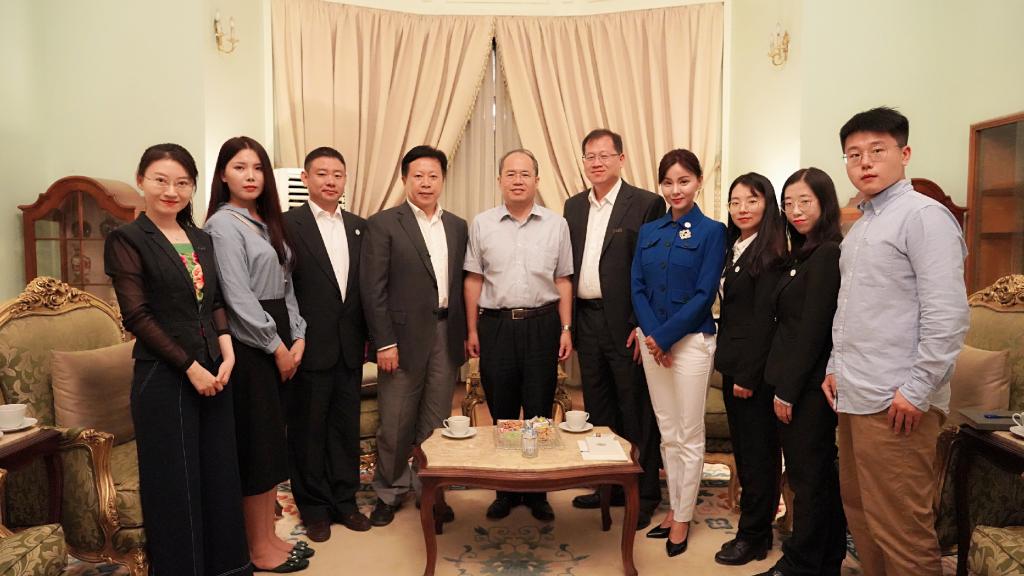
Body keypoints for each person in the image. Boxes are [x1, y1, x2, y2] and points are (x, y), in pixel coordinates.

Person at [823, 107, 969, 575]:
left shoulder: (925, 217)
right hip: (855, 393)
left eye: (877, 150)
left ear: (904, 154)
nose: (865, 162)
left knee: (902, 529)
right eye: (854, 154)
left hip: (897, 402)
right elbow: (853, 308)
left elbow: (948, 315)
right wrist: (834, 366)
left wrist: (918, 388)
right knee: (862, 516)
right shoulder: (862, 225)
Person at [105, 144, 253, 576]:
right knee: (177, 485)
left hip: (215, 369)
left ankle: (228, 568)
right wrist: (191, 367)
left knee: (220, 475)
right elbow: (137, 316)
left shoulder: (200, 237)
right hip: (164, 375)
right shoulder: (127, 239)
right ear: (141, 181)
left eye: (182, 182)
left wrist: (227, 349)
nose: (171, 191)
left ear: (192, 187)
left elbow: (216, 302)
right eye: (161, 180)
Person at [205, 136, 310, 573]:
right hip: (252, 345)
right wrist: (276, 346)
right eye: (240, 167)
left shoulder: (266, 221)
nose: (250, 176)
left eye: (257, 168)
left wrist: (298, 334)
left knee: (272, 446)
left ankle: (269, 536)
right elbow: (237, 298)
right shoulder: (222, 225)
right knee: (257, 449)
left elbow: (286, 286)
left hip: (281, 332)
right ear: (223, 174)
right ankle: (257, 548)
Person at [464, 148, 574, 522]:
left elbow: (563, 280)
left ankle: (538, 490)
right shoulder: (482, 224)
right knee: (504, 410)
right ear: (499, 180)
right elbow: (473, 279)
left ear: (537, 181)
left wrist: (566, 328)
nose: (517, 180)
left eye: (525, 174)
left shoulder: (556, 224)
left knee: (539, 410)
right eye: (510, 174)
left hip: (543, 324)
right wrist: (472, 329)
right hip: (496, 326)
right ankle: (507, 490)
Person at [361, 145, 468, 527]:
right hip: (401, 339)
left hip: (445, 333)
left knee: (437, 421)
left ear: (443, 180)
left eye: (433, 176)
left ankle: (431, 492)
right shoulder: (384, 224)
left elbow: (461, 284)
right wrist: (384, 342)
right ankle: (389, 491)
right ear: (405, 179)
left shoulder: (457, 225)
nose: (426, 183)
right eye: (418, 176)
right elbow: (373, 289)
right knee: (395, 420)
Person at [564, 129, 665, 529]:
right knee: (599, 409)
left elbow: (654, 273)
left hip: (626, 323)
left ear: (621, 159)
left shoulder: (646, 204)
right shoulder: (574, 206)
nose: (597, 163)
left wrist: (642, 326)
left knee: (635, 408)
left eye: (604, 155)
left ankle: (645, 494)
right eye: (590, 156)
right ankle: (606, 487)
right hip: (587, 320)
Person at [631, 149, 726, 557]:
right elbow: (637, 286)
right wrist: (653, 337)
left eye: (684, 181)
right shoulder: (648, 231)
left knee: (689, 433)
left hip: (691, 343)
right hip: (654, 342)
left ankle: (684, 517)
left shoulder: (713, 231)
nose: (676, 189)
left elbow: (705, 294)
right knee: (668, 431)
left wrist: (665, 337)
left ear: (698, 182)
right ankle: (674, 508)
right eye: (668, 182)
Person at [757, 168, 848, 576]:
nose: (795, 210)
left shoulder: (828, 254)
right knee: (814, 477)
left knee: (809, 480)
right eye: (788, 203)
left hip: (807, 387)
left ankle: (802, 562)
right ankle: (824, 560)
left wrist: (787, 391)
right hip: (796, 380)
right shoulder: (803, 254)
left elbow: (813, 331)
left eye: (805, 201)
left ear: (824, 203)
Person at [282, 147, 370, 541]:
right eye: (322, 173)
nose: (330, 181)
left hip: (350, 346)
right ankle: (314, 508)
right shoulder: (286, 225)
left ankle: (345, 501)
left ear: (345, 180)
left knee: (344, 429)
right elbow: (282, 288)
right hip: (308, 345)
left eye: (337, 174)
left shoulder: (360, 226)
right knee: (308, 431)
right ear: (306, 178)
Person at [712, 172, 787, 566]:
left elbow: (764, 321)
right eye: (735, 201)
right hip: (733, 364)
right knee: (745, 452)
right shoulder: (736, 247)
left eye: (752, 200)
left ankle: (755, 536)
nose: (742, 208)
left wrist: (747, 376)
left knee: (758, 456)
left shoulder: (770, 253)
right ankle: (754, 530)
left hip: (751, 373)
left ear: (767, 204)